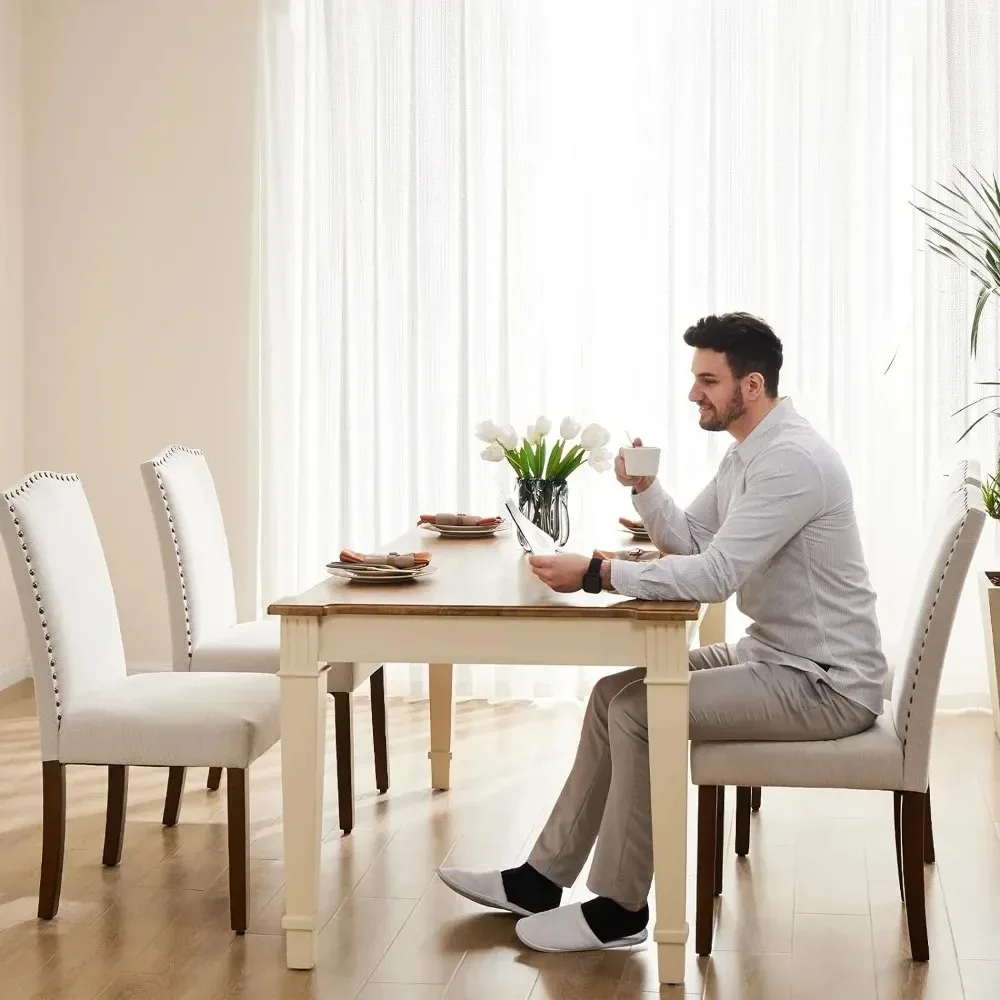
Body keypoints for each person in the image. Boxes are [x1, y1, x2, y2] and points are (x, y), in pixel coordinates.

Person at [436, 312, 888, 954]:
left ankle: (620, 911)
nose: (694, 394)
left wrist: (597, 573)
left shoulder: (790, 461)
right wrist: (646, 489)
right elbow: (698, 541)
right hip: (776, 655)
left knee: (640, 713)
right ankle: (540, 879)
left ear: (751, 385)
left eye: (708, 380)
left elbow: (714, 576)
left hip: (825, 682)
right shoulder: (752, 452)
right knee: (608, 698)